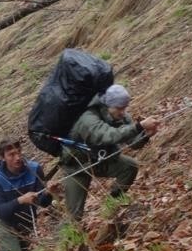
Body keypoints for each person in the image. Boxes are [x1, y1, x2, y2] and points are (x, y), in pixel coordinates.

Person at [61, 84, 160, 220]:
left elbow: (133, 143)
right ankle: (68, 239)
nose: (123, 112)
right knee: (74, 216)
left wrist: (145, 135)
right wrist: (138, 126)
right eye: (119, 108)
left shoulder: (121, 116)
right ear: (107, 106)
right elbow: (106, 135)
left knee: (129, 167)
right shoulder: (87, 117)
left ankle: (111, 207)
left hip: (99, 159)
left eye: (125, 107)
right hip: (76, 166)